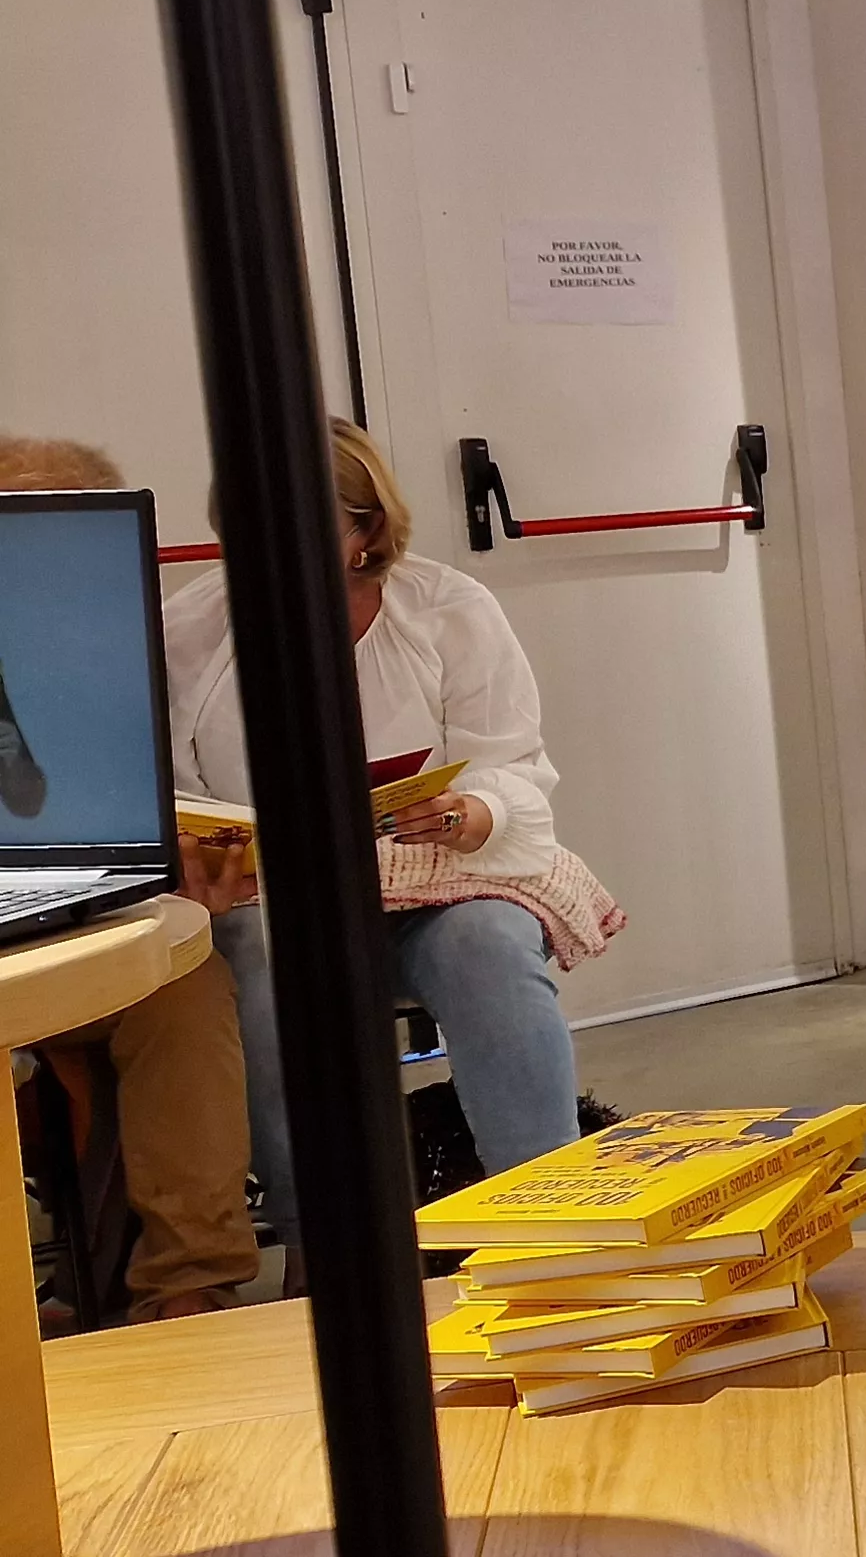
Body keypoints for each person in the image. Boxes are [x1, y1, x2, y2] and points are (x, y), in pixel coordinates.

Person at [176, 420, 615, 1262]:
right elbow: (178, 797)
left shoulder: (449, 610)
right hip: (273, 906)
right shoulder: (190, 633)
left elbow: (511, 768)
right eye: (244, 540)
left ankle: (551, 1226)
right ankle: (326, 1246)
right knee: (252, 960)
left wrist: (472, 812)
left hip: (429, 886)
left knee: (490, 938)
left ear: (364, 531)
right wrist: (204, 860)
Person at [0, 435, 256, 1321]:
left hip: (86, 918)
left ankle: (189, 1288)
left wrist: (173, 855)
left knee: (184, 990)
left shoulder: (133, 649)